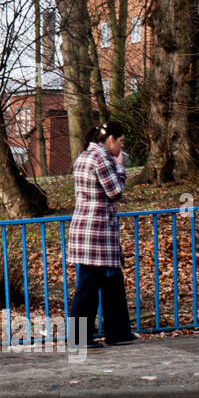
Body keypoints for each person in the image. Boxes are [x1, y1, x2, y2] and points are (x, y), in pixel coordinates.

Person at [66, 120, 136, 348]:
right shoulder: (102, 158)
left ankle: (118, 332)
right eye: (121, 142)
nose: (122, 147)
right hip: (97, 233)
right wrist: (121, 167)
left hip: (88, 230)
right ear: (110, 139)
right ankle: (82, 338)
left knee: (110, 282)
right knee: (89, 287)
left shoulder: (84, 156)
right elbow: (115, 192)